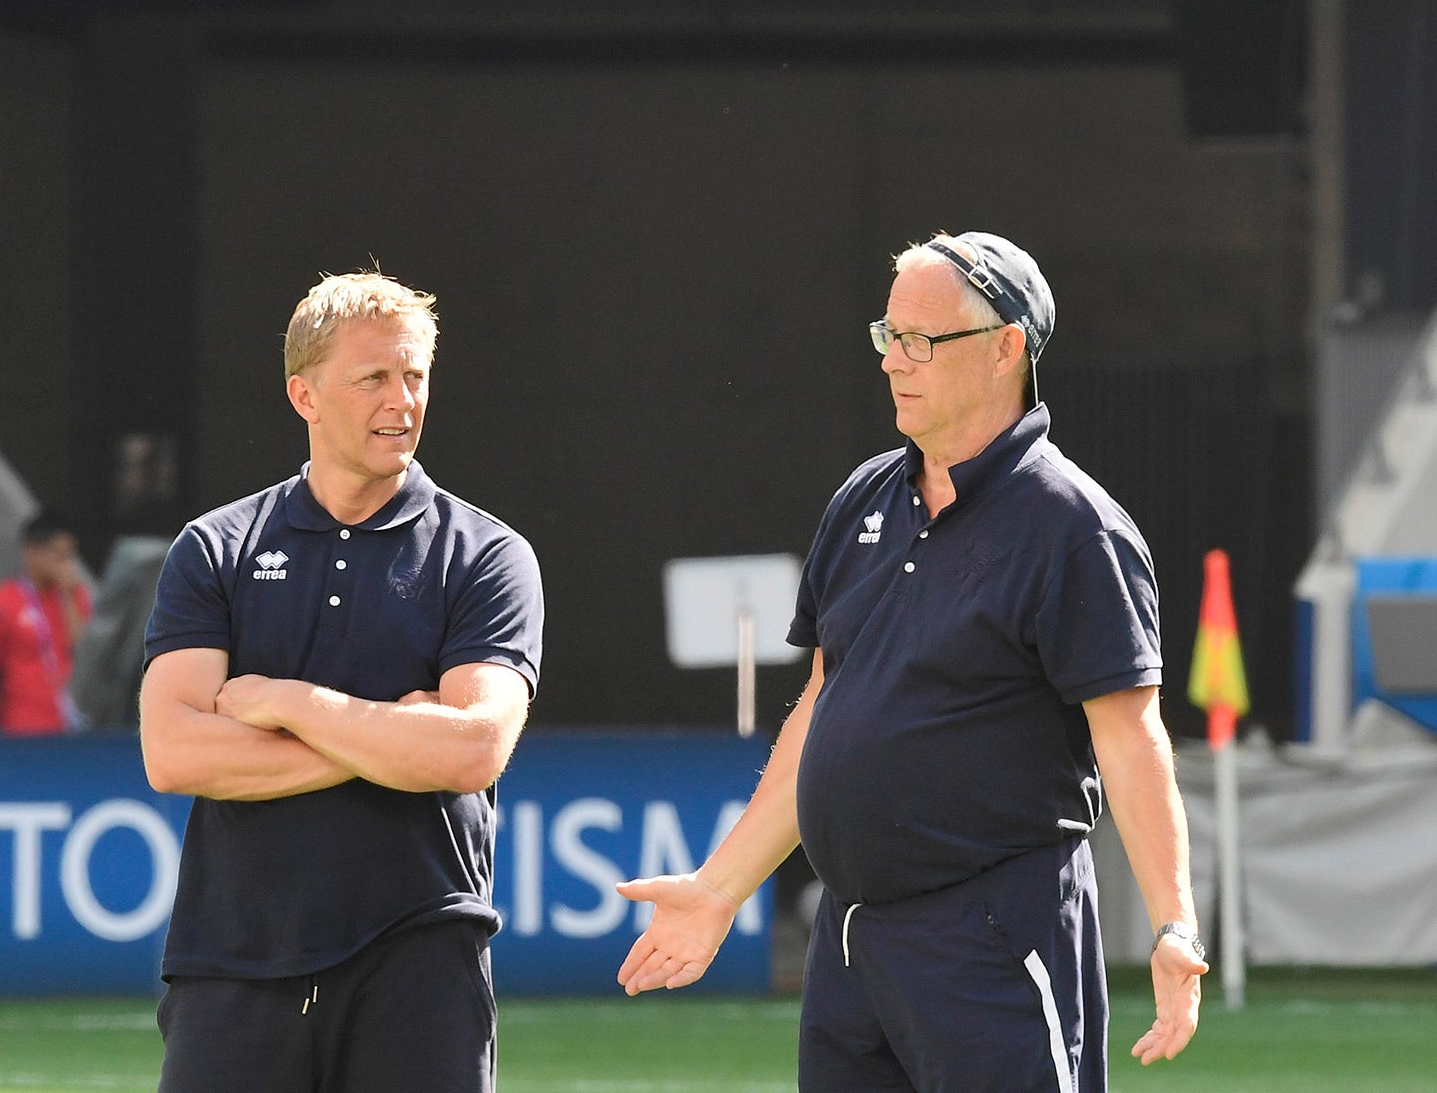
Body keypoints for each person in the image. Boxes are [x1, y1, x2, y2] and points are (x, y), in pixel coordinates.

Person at [618, 232, 1205, 1093]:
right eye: (888, 336)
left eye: (924, 340)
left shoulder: (1073, 527)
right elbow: (824, 706)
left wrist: (1173, 924)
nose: (897, 360)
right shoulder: (863, 496)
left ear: (1007, 348)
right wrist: (718, 888)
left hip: (993, 937)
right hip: (851, 942)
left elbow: (1130, 737)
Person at [139, 272, 543, 1093]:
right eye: (374, 378)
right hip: (232, 962)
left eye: (416, 376)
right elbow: (174, 753)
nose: (403, 400)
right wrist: (393, 738)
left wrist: (292, 705)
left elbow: (471, 751)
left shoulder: (489, 555)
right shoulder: (215, 548)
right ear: (305, 394)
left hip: (423, 959)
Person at [0, 511, 93, 735]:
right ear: (32, 553)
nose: (67, 565)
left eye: (70, 556)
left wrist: (71, 598)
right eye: (59, 556)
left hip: (73, 729)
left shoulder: (75, 596)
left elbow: (84, 654)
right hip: (24, 732)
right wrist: (12, 716)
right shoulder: (1, 602)